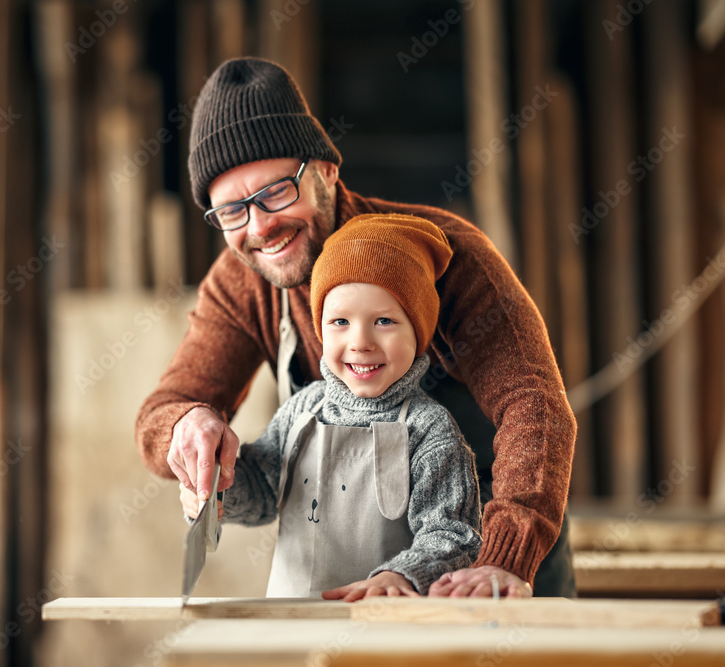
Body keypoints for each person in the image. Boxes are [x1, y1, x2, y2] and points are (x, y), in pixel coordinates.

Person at [136, 57, 577, 598]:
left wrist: (506, 558)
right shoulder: (241, 282)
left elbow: (536, 404)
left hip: (490, 562)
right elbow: (160, 414)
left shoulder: (447, 255)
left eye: (276, 191)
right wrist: (187, 427)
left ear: (326, 171)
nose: (260, 226)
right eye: (232, 211)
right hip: (341, 591)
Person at [179, 213, 482, 599]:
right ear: (320, 327)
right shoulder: (301, 410)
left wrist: (402, 576)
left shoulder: (430, 431)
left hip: (387, 630)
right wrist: (219, 489)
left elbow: (452, 535)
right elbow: (261, 493)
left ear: (419, 331)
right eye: (340, 321)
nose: (360, 342)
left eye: (385, 321)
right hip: (292, 628)